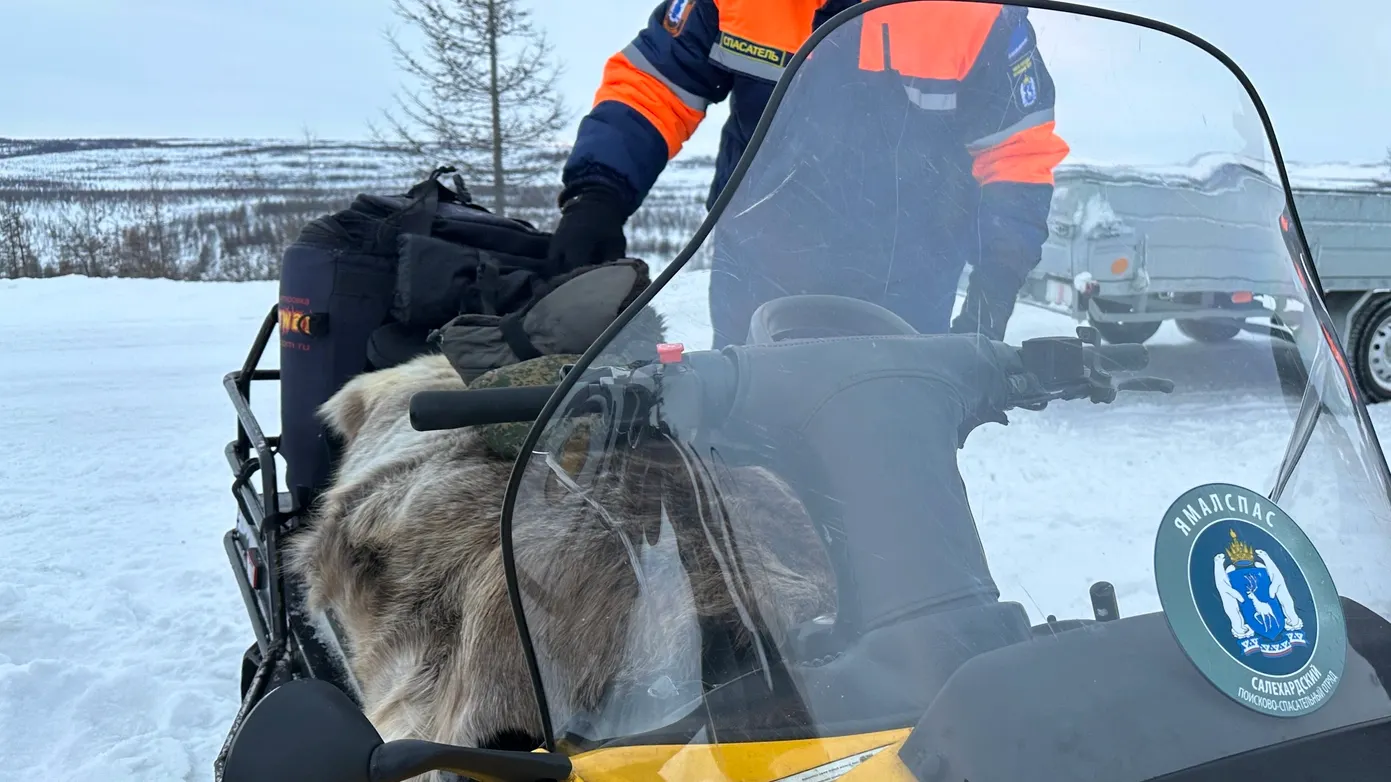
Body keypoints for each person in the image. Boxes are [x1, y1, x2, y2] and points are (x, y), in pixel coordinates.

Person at [549, 0, 1070, 346]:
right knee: (735, 469)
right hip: (756, 273)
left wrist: (996, 283)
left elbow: (1016, 148)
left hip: (906, 291)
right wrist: (599, 192)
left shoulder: (973, 13)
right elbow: (656, 83)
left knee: (893, 475)